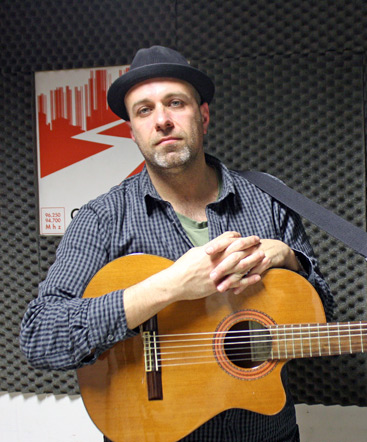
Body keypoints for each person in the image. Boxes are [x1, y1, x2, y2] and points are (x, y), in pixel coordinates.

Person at [20, 46, 332, 441]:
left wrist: (292, 261)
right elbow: (41, 336)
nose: (162, 120)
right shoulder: (102, 219)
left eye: (175, 103)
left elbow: (324, 317)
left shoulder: (269, 200)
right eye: (144, 110)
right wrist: (169, 287)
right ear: (133, 132)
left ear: (203, 116)